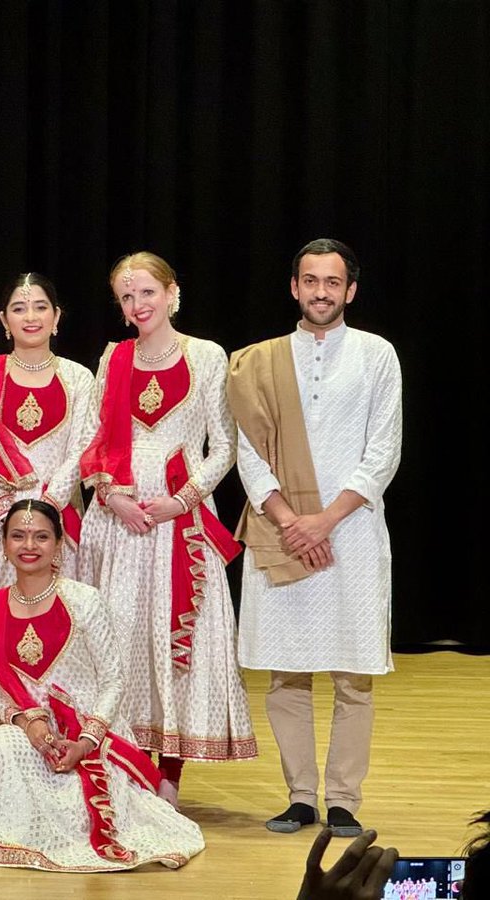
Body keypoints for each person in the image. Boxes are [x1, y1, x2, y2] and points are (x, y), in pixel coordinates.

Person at [228, 239, 402, 836]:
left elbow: (383, 452)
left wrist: (324, 521)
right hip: (283, 533)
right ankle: (301, 796)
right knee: (286, 673)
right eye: (310, 280)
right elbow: (247, 452)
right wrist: (287, 520)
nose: (321, 292)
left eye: (333, 282)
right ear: (294, 287)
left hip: (350, 534)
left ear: (350, 291)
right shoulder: (258, 362)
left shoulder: (378, 356)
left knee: (353, 677)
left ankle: (343, 799)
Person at [77, 251, 256, 806]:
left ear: (172, 293)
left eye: (147, 293)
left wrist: (179, 502)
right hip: (120, 522)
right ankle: (126, 759)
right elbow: (93, 436)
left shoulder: (205, 356)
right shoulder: (115, 358)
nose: (138, 305)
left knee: (178, 643)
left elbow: (223, 446)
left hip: (180, 522)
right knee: (122, 639)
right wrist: (113, 495)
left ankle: (170, 773)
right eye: (127, 298)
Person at [0, 499, 205, 872]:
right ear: (4, 544)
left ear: (58, 544)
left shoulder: (84, 599)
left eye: (41, 536)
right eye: (18, 536)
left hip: (91, 736)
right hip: (30, 734)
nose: (29, 546)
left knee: (72, 801)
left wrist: (85, 740)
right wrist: (30, 724)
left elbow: (114, 681)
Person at [0, 273, 94, 714]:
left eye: (39, 307)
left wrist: (46, 507)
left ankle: (58, 719)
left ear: (57, 318)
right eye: (19, 308)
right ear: (3, 319)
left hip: (56, 521)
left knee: (55, 621)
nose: (29, 316)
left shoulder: (78, 377)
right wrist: (3, 505)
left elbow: (83, 446)